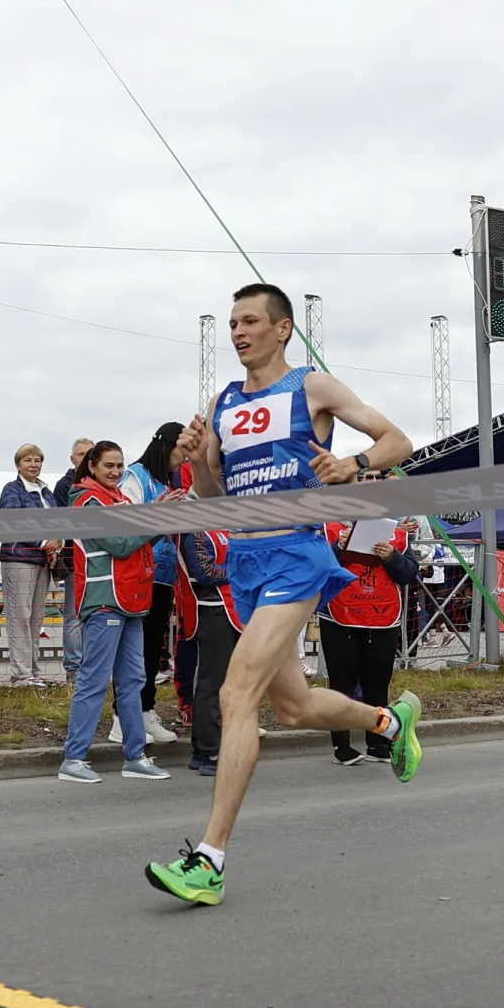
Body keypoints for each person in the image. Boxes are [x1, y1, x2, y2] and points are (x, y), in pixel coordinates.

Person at [146, 282, 421, 907]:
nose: (239, 332)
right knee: (293, 708)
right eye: (233, 323)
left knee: (235, 692)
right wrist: (195, 463)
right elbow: (218, 503)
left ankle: (209, 861)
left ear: (282, 328)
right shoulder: (220, 404)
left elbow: (396, 440)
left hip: (296, 555)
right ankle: (388, 719)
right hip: (245, 562)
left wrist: (353, 464)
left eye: (250, 321)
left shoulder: (310, 387)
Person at [55, 440, 172, 783]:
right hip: (105, 598)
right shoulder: (86, 500)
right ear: (91, 466)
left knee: (133, 680)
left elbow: (137, 541)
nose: (116, 472)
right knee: (93, 679)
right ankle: (73, 758)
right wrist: (155, 519)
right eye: (109, 465)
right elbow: (121, 545)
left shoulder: (117, 499)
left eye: (120, 465)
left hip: (130, 600)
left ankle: (135, 756)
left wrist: (156, 517)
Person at [320, 502, 418, 764]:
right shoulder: (330, 528)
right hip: (340, 616)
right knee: (342, 685)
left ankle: (376, 743)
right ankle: (341, 746)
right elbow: (318, 567)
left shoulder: (397, 533)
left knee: (377, 685)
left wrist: (391, 556)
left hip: (383, 618)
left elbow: (409, 574)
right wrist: (339, 548)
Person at [119, 423, 192, 744]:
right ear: (166, 447)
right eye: (182, 452)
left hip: (163, 576)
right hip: (137, 575)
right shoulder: (136, 477)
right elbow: (127, 523)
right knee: (134, 650)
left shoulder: (169, 480)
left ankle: (145, 709)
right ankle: (123, 716)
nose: (185, 460)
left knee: (152, 649)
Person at [179, 526, 243, 775]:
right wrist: (242, 571)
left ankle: (201, 750)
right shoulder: (195, 529)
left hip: (232, 609)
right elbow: (203, 573)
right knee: (212, 684)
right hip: (212, 610)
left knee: (221, 683)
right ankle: (210, 751)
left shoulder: (228, 527)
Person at [0, 443, 62, 686]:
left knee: (36, 618)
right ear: (18, 464)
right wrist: (43, 541)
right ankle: (20, 673)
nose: (33, 464)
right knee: (20, 616)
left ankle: (33, 670)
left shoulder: (47, 492)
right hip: (19, 558)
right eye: (28, 460)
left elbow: (58, 522)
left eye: (37, 460)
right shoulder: (11, 490)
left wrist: (56, 543)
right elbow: (15, 521)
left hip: (43, 560)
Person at [51, 437, 93, 682]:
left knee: (95, 615)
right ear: (72, 458)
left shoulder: (105, 484)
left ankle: (91, 665)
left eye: (89, 453)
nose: (85, 458)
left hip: (99, 561)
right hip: (74, 560)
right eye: (80, 454)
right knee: (73, 615)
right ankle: (74, 667)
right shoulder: (64, 485)